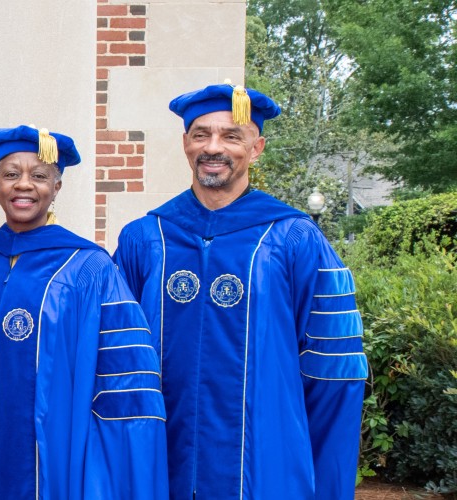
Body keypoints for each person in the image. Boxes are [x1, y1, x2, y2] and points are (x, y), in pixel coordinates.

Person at [113, 83, 368, 499]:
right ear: (185, 144)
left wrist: (323, 479)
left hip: (265, 461)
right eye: (201, 134)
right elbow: (115, 363)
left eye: (232, 136)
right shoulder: (145, 238)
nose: (214, 147)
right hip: (160, 459)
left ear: (256, 148)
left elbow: (332, 373)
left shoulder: (294, 238)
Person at [0, 125, 167, 499]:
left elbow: (125, 381)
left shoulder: (88, 270)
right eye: (11, 174)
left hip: (57, 456)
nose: (24, 185)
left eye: (40, 176)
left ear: (57, 188)